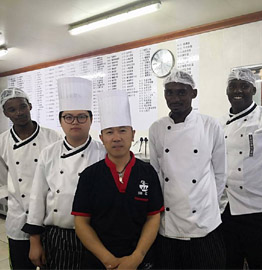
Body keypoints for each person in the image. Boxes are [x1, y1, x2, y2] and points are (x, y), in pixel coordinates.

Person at [72, 90, 164, 269]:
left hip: (141, 261)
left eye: (122, 131)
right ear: (102, 138)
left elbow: (153, 217)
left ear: (132, 134)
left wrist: (136, 257)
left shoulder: (147, 172)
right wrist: (108, 260)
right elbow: (81, 222)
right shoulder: (89, 175)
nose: (116, 138)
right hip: (99, 261)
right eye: (109, 132)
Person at [22, 77, 106, 269]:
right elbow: (37, 198)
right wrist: (34, 241)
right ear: (61, 121)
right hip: (58, 235)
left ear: (91, 120)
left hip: (97, 236)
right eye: (68, 117)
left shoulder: (103, 153)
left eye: (82, 116)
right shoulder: (49, 153)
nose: (75, 122)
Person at [149, 69, 226, 269]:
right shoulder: (157, 128)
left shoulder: (211, 125)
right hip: (169, 226)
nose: (175, 98)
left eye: (181, 92)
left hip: (204, 226)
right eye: (170, 92)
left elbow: (220, 173)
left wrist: (208, 207)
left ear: (194, 93)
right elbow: (156, 174)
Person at [0, 87, 61, 269]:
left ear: (30, 106)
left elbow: (59, 176)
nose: (19, 113)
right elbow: (2, 180)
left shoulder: (53, 137)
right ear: (5, 113)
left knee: (51, 264)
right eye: (12, 109)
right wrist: (14, 199)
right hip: (18, 217)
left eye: (22, 106)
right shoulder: (2, 142)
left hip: (49, 216)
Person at [220, 68, 262, 269]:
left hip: (260, 209)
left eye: (244, 86)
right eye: (233, 86)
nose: (237, 90)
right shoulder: (219, 123)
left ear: (253, 90)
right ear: (227, 91)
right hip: (227, 209)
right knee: (229, 263)